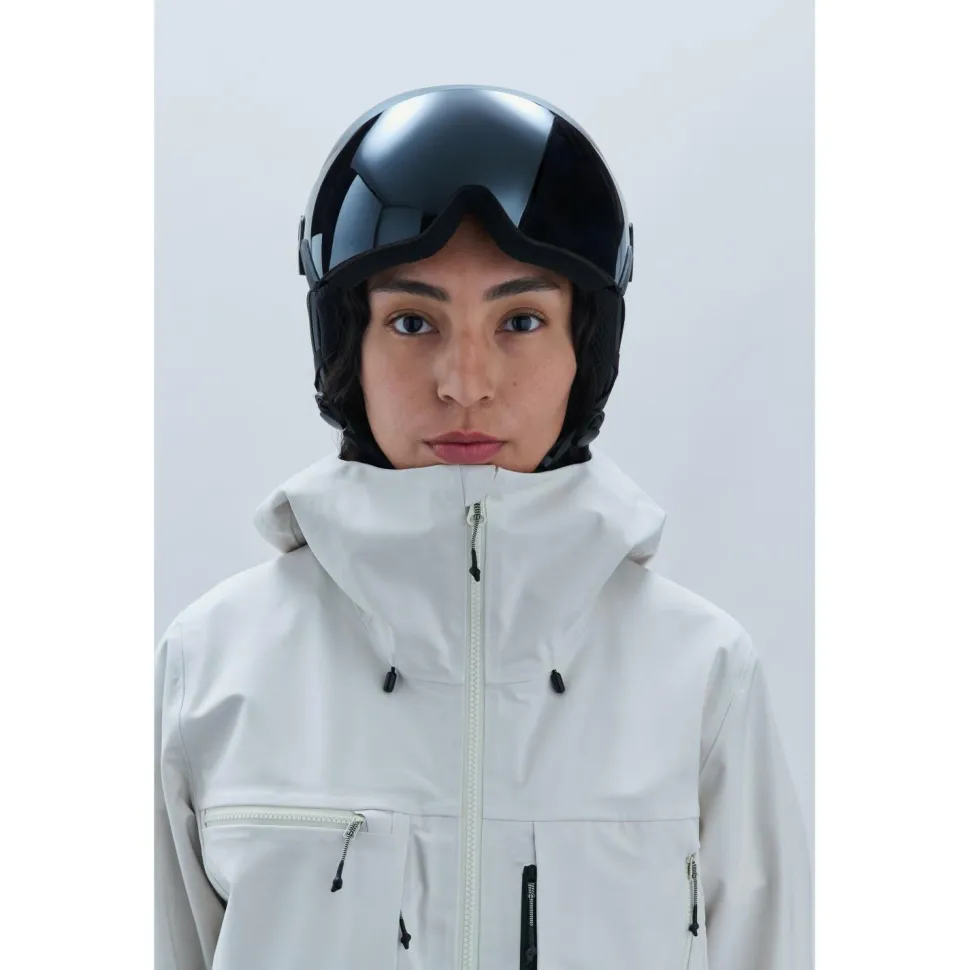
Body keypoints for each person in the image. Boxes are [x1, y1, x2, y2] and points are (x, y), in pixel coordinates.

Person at [155, 85, 813, 970]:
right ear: (346, 344)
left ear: (586, 347)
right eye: (412, 321)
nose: (465, 382)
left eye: (521, 321)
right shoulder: (211, 668)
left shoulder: (701, 676)